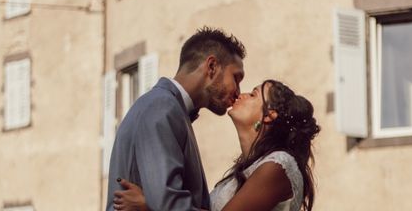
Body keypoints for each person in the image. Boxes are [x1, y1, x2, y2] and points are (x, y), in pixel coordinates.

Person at [113, 79, 320, 211]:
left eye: (254, 94)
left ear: (269, 115)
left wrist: (151, 205)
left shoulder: (279, 165)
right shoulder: (247, 170)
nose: (242, 94)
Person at [106, 27, 246, 211]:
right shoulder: (162, 107)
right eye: (236, 78)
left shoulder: (170, 108)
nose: (238, 91)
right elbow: (169, 205)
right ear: (211, 67)